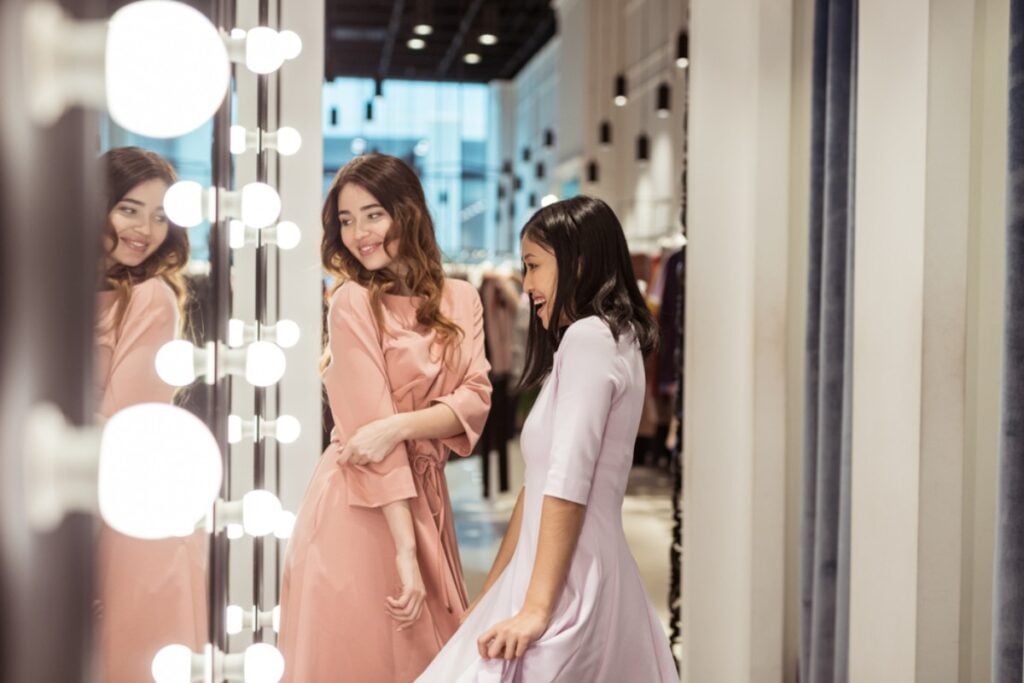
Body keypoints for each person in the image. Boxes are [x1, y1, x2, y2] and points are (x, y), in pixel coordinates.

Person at [418, 196, 678, 682]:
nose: (529, 285)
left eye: (535, 266)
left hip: (567, 578)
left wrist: (537, 608)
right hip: (563, 565)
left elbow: (567, 480)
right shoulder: (610, 340)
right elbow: (535, 490)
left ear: (578, 262)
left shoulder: (590, 339)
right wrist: (491, 597)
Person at [278, 154, 492, 682]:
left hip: (426, 496)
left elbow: (476, 398)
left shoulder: (461, 297)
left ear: (408, 211)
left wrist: (397, 426)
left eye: (372, 215)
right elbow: (367, 423)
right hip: (361, 505)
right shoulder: (350, 301)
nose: (358, 234)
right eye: (345, 221)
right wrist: (404, 549)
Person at [93, 146, 207, 682]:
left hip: (131, 517)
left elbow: (126, 422)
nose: (146, 229)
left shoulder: (150, 297)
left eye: (161, 215)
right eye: (130, 209)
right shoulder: (49, 288)